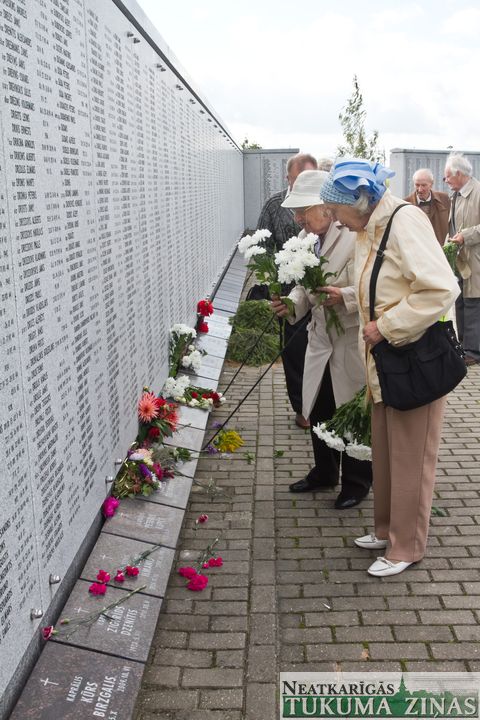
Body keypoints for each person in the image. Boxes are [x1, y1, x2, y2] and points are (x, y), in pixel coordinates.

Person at [319, 159, 459, 576]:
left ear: (359, 202)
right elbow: (378, 285)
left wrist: (386, 326)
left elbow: (441, 288)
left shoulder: (404, 221)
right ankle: (386, 530)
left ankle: (406, 547)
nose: (335, 220)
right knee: (385, 452)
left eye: (336, 210)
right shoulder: (370, 227)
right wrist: (350, 300)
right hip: (386, 361)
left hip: (413, 361)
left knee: (411, 458)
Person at [271, 170, 372, 509]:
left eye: (303, 210)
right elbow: (304, 287)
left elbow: (370, 283)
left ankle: (357, 482)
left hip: (349, 339)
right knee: (319, 407)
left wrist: (344, 296)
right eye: (295, 212)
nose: (298, 219)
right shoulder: (306, 237)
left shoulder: (354, 234)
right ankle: (325, 472)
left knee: (351, 410)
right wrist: (291, 304)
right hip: (319, 339)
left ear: (326, 207)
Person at [256, 153, 318, 429]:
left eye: (310, 177)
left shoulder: (325, 206)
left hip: (320, 291)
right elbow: (262, 247)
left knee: (319, 352)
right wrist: (272, 280)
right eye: (299, 178)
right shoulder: (274, 205)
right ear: (288, 178)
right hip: (288, 293)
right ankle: (302, 409)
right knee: (294, 352)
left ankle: (320, 404)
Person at [444, 152, 480, 366]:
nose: (446, 180)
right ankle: (464, 346)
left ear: (459, 174)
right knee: (460, 301)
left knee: (473, 303)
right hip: (460, 259)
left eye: (448, 176)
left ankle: (473, 351)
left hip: (475, 259)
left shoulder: (478, 192)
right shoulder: (455, 194)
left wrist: (465, 236)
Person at [404, 168, 449, 245]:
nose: (420, 189)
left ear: (431, 184)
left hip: (439, 249)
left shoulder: (445, 199)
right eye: (417, 185)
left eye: (424, 185)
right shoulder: (405, 204)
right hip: (417, 249)